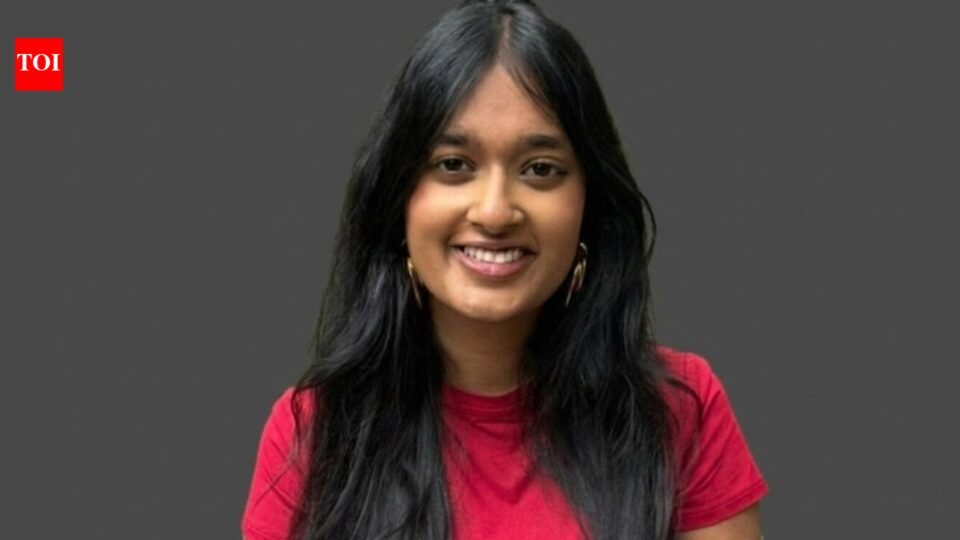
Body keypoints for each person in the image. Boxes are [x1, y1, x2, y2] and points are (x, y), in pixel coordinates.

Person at [241, 1, 769, 538]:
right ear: (398, 196)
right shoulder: (316, 435)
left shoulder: (677, 410)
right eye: (453, 165)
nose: (494, 212)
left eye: (540, 169)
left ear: (589, 205)